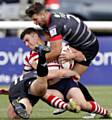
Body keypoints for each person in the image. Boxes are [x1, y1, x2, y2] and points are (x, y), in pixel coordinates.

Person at [18, 27, 112, 119]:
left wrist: (72, 55)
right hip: (50, 87)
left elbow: (82, 57)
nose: (26, 44)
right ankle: (66, 106)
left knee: (83, 104)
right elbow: (26, 78)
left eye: (27, 40)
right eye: (24, 42)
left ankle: (106, 113)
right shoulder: (29, 58)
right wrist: (63, 72)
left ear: (35, 35)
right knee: (41, 92)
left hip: (66, 83)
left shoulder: (56, 46)